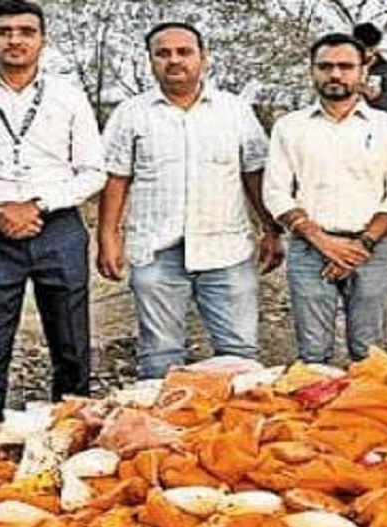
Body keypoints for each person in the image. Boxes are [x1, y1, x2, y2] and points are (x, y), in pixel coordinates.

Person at [0, 0, 105, 434]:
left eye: (25, 31)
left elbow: (92, 171)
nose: (15, 39)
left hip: (58, 227)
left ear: (42, 39)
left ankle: (72, 437)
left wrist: (38, 205)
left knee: (70, 344)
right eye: (4, 31)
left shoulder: (68, 95)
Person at [97, 23, 283, 379]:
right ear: (150, 61)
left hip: (226, 249)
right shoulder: (131, 113)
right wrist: (108, 237)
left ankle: (232, 432)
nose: (174, 60)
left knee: (239, 354)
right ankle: (158, 433)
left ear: (203, 57)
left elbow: (254, 174)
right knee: (160, 354)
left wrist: (272, 230)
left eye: (184, 52)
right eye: (163, 53)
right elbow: (116, 177)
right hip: (156, 249)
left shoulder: (235, 111)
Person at [264, 33, 387, 364]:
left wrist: (361, 246)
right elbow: (275, 191)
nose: (335, 74)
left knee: (369, 352)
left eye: (345, 66)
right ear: (312, 71)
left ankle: (363, 413)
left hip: (371, 249)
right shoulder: (290, 127)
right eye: (326, 66)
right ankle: (316, 415)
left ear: (364, 70)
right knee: (314, 353)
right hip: (309, 249)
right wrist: (321, 240)